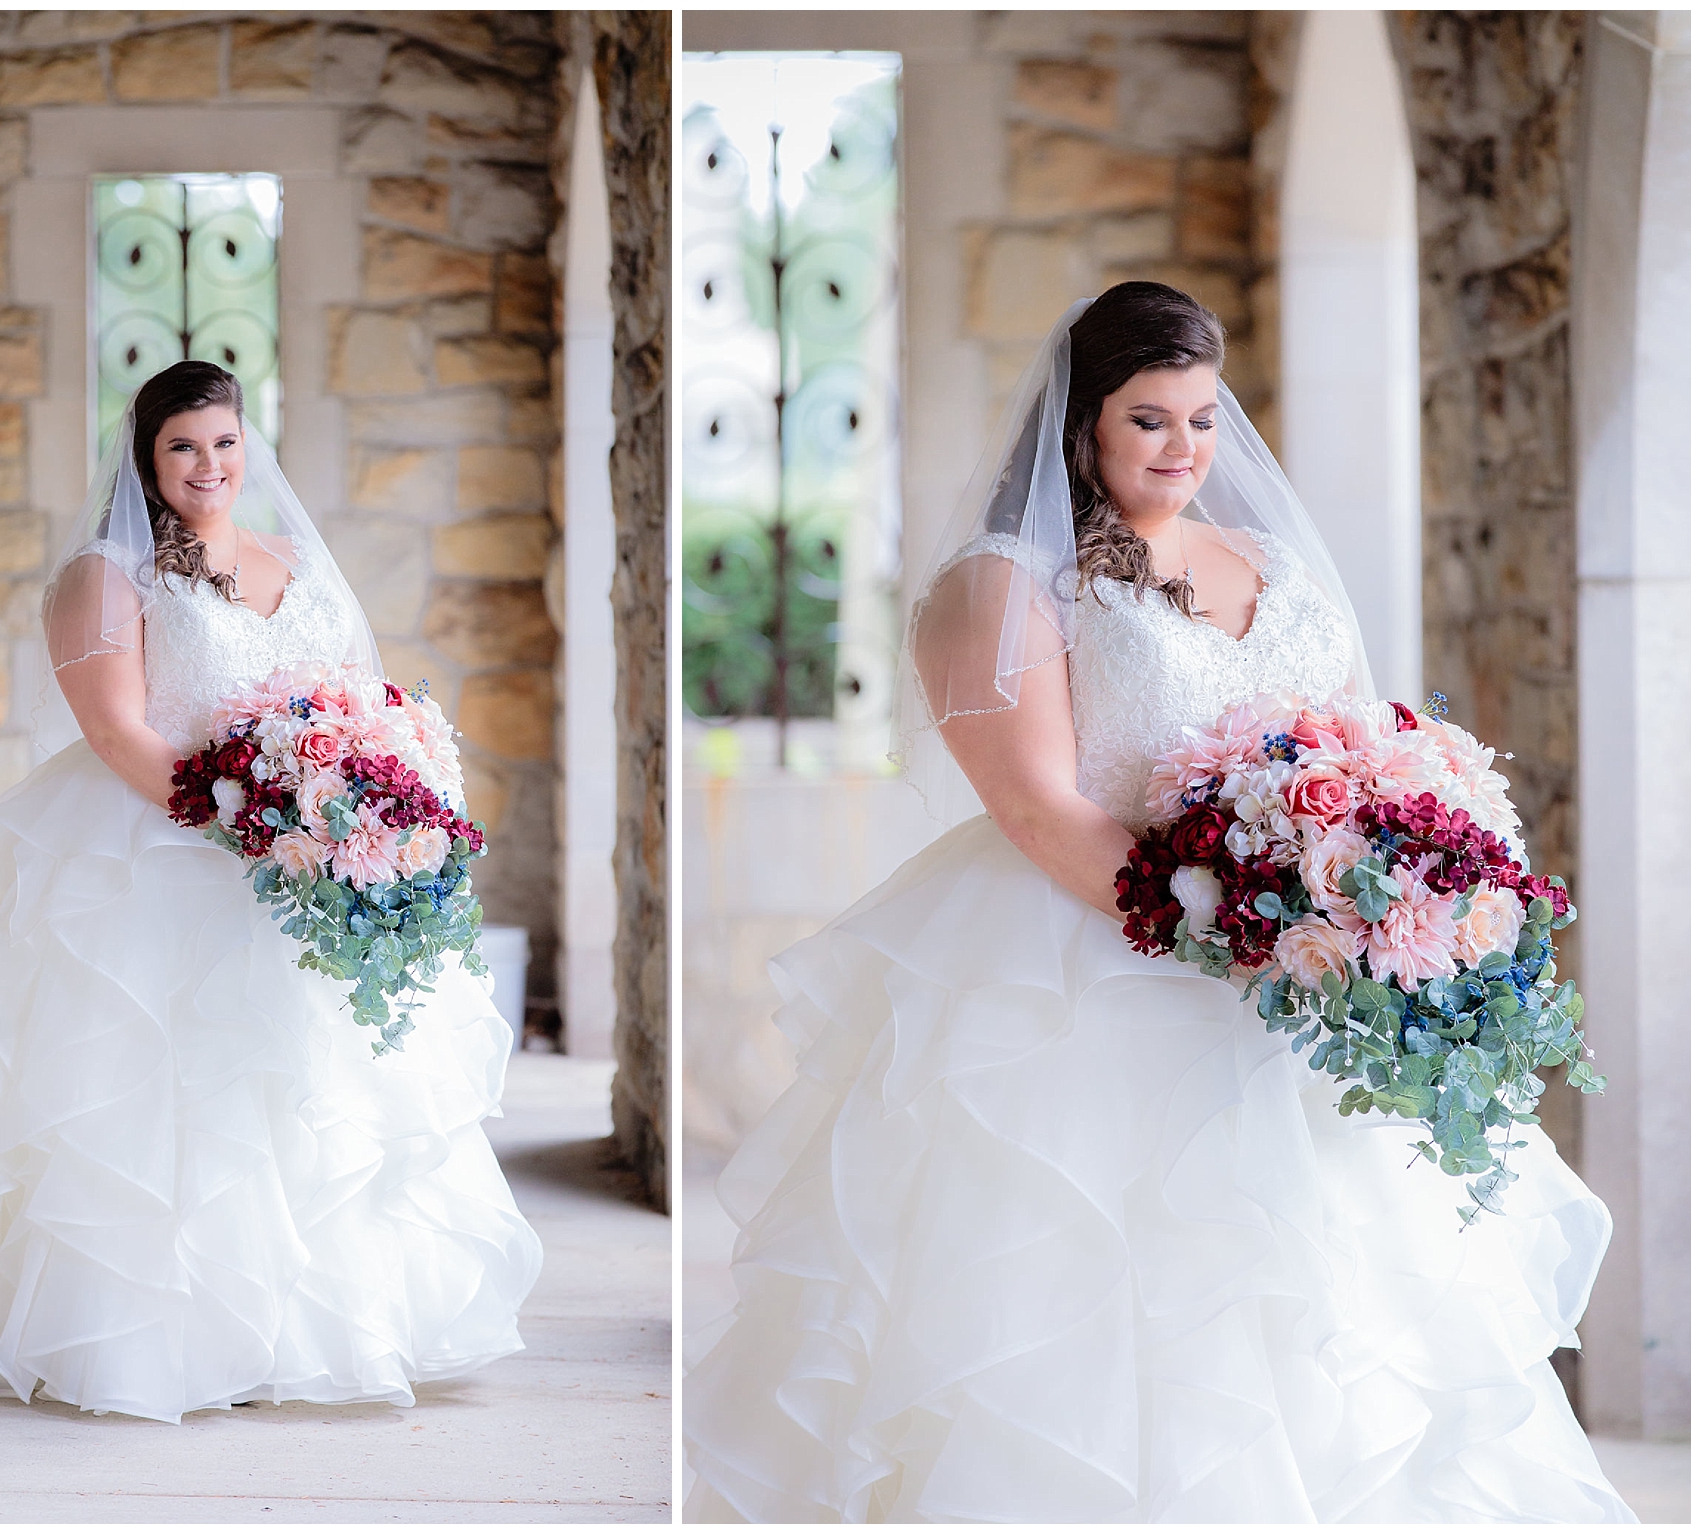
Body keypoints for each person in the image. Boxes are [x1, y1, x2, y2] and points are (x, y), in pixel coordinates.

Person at [682, 284, 1636, 1522]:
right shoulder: (1005, 583)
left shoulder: (1272, 564)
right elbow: (1033, 806)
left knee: (1320, 1311)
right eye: (1147, 419)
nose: (1184, 448)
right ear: (1078, 428)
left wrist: (1358, 897)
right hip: (1082, 970)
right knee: (1089, 1313)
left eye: (1201, 417)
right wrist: (1232, 935)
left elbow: (1352, 738)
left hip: (1294, 983)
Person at [0, 361, 541, 1423]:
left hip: (296, 861)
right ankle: (150, 1341)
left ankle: (308, 1332)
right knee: (162, 1100)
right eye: (182, 447)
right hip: (159, 847)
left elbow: (355, 694)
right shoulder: (106, 575)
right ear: (145, 459)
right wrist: (248, 823)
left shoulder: (291, 560)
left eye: (223, 443)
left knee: (297, 1094)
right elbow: (115, 731)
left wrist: (356, 800)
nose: (208, 466)